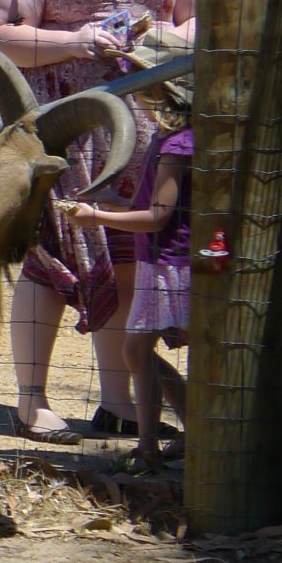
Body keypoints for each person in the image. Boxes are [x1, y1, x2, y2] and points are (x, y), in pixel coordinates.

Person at [0, 0, 196, 445]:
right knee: (54, 253)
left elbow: (200, 16)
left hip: (155, 119)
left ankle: (118, 400)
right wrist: (77, 41)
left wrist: (161, 45)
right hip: (68, 121)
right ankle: (31, 401)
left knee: (127, 253)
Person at [62, 78, 193, 466]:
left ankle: (151, 446)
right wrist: (105, 200)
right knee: (139, 352)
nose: (135, 96)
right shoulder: (163, 137)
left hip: (171, 264)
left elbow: (158, 217)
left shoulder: (176, 145)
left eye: (142, 88)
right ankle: (172, 437)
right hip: (156, 261)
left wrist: (97, 217)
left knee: (137, 350)